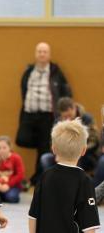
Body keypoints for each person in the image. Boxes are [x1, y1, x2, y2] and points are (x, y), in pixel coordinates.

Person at [16, 42, 72, 185]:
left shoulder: (55, 72)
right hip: (30, 113)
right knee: (23, 138)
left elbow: (65, 91)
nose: (42, 54)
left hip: (48, 115)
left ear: (49, 54)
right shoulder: (29, 71)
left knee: (44, 147)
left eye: (44, 52)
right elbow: (23, 88)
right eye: (39, 51)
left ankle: (38, 178)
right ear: (36, 54)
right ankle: (38, 171)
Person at [40, 97, 99, 174]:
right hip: (63, 155)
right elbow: (53, 142)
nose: (68, 119)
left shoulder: (87, 119)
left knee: (75, 159)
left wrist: (78, 150)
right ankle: (52, 183)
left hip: (84, 154)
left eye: (69, 115)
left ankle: (74, 183)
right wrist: (60, 153)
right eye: (64, 117)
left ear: (74, 108)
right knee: (45, 158)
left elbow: (94, 141)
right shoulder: (58, 122)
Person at [0, 135, 25, 203]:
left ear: (9, 148)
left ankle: (3, 196)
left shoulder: (16, 158)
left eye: (4, 148)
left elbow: (20, 175)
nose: (1, 150)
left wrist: (8, 184)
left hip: (12, 186)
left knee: (11, 197)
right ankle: (0, 196)